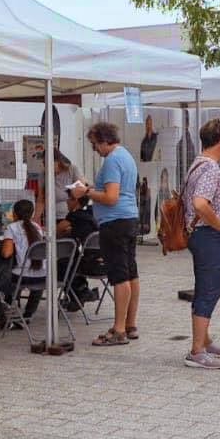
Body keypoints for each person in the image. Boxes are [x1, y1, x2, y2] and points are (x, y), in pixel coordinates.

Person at [74, 122, 139, 347]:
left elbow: (111, 197)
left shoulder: (112, 160)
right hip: (129, 218)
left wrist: (86, 191)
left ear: (103, 140)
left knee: (119, 276)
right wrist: (93, 187)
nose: (94, 148)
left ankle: (118, 329)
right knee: (131, 273)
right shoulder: (126, 155)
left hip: (115, 222)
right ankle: (130, 324)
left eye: (94, 143)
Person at [181, 118, 220, 370]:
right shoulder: (211, 168)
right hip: (208, 236)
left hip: (204, 237)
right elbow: (200, 203)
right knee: (208, 290)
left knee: (206, 287)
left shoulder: (198, 163)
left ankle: (204, 339)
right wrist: (219, 225)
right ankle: (196, 350)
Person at [0, 198, 53, 343]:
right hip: (43, 276)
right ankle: (28, 314)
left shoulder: (12, 228)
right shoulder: (38, 228)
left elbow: (6, 253)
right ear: (32, 213)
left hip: (22, 276)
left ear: (14, 214)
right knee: (36, 276)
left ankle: (3, 318)